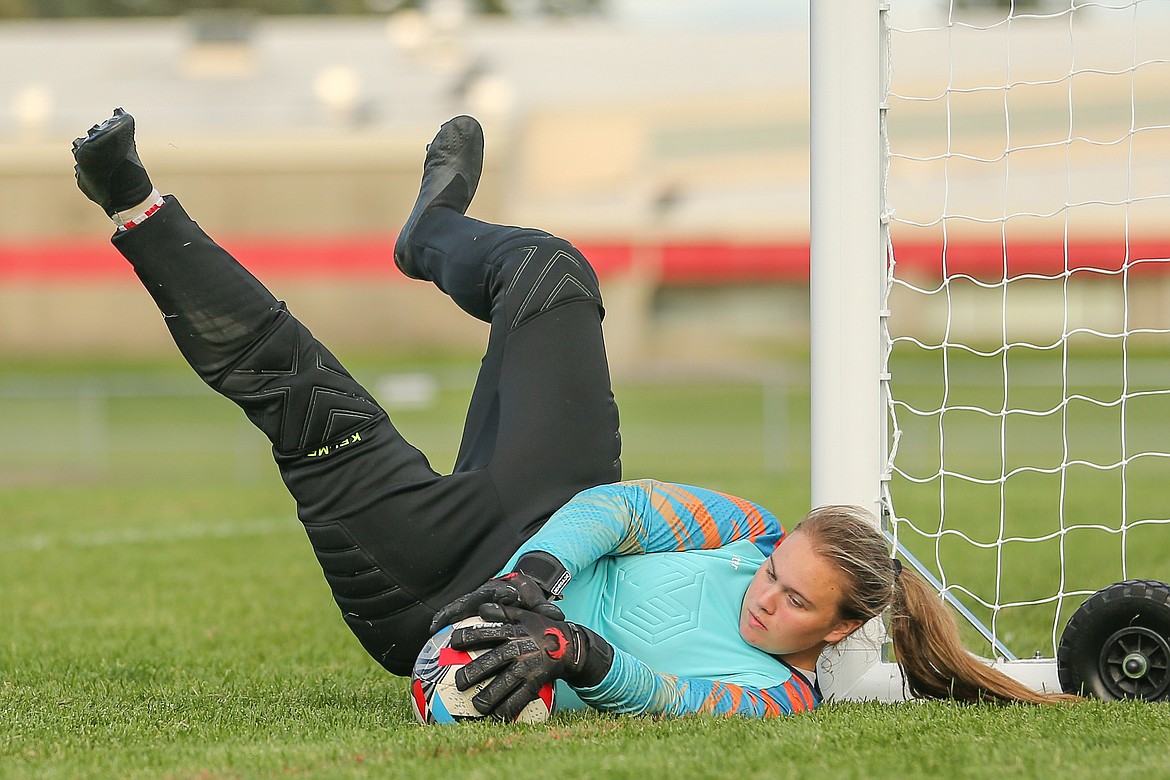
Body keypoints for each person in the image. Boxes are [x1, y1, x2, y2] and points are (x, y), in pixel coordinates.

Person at [72, 110, 1074, 721]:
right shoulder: (749, 532)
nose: (767, 596)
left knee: (307, 400)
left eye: (794, 605)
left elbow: (677, 699)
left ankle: (136, 206)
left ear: (843, 631)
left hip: (440, 592)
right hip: (550, 521)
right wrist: (547, 568)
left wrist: (577, 652)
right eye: (777, 575)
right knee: (554, 274)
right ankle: (434, 234)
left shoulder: (781, 694)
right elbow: (631, 512)